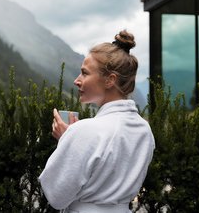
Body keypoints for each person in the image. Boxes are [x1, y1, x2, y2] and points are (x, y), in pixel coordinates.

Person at [39, 30, 155, 213]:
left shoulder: (84, 130)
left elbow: (56, 196)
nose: (77, 81)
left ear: (110, 80)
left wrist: (67, 139)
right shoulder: (144, 130)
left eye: (84, 73)